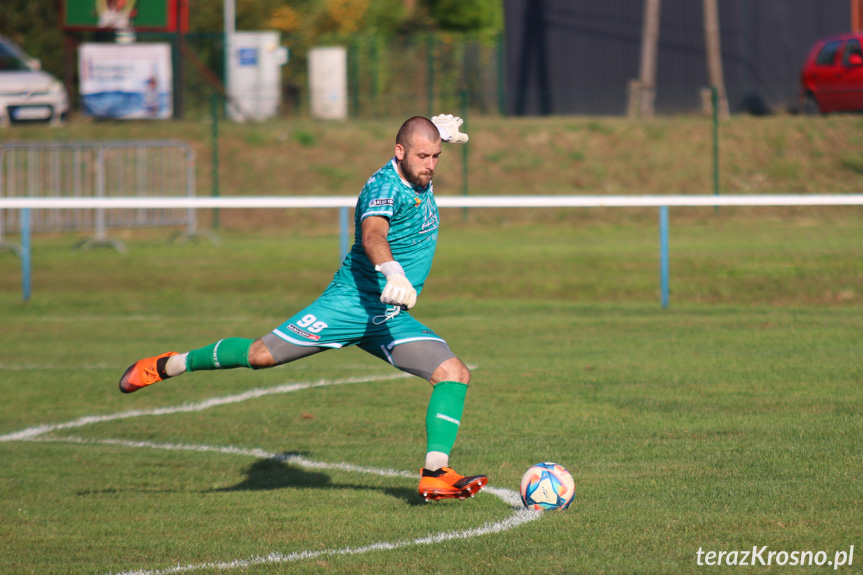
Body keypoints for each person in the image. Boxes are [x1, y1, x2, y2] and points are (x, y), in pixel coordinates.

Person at [118, 115, 486, 502]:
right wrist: (392, 272)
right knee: (260, 356)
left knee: (453, 373)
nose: (430, 164)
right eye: (423, 156)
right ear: (399, 152)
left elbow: (421, 143)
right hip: (349, 304)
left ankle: (434, 473)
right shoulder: (383, 187)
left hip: (388, 314)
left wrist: (438, 131)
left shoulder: (418, 169)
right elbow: (373, 233)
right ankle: (169, 365)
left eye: (437, 156)